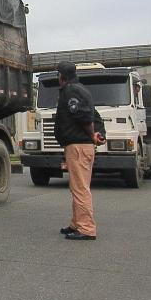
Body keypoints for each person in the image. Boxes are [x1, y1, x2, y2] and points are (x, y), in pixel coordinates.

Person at [54, 61, 102, 241]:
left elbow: (83, 116)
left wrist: (91, 134)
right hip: (80, 146)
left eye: (58, 74)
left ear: (62, 75)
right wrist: (96, 134)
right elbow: (93, 116)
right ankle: (76, 223)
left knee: (80, 189)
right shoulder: (81, 89)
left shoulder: (71, 91)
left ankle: (87, 228)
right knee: (77, 187)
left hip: (78, 147)